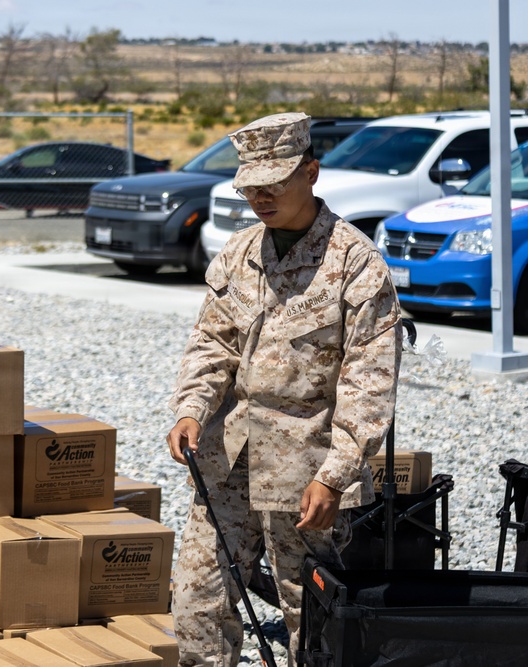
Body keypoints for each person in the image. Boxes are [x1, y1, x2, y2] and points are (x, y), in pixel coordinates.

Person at [166, 111, 402, 666]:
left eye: (275, 183)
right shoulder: (240, 253)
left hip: (307, 471)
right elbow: (212, 345)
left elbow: (369, 384)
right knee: (197, 602)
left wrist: (336, 475)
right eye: (252, 186)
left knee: (310, 617)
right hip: (231, 458)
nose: (262, 197)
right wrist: (191, 410)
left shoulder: (356, 264)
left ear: (312, 172)